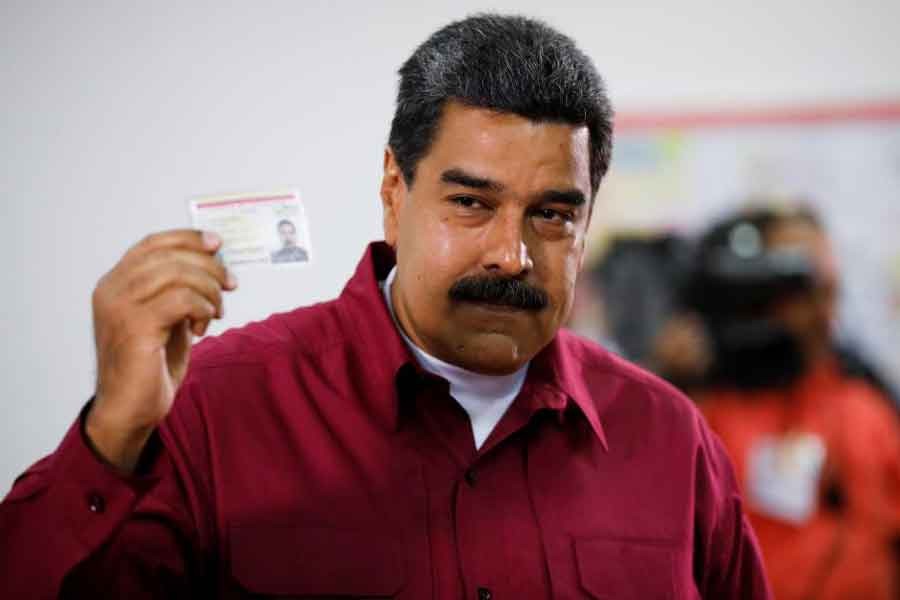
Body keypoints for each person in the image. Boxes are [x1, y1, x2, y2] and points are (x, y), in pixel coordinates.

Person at [0, 14, 771, 598]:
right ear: (393, 190)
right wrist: (113, 437)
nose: (513, 254)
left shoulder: (673, 442)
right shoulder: (216, 409)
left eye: (552, 215)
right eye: (471, 202)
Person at [671, 206, 900, 600]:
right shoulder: (688, 411)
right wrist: (668, 380)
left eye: (812, 286)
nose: (804, 307)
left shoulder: (863, 411)